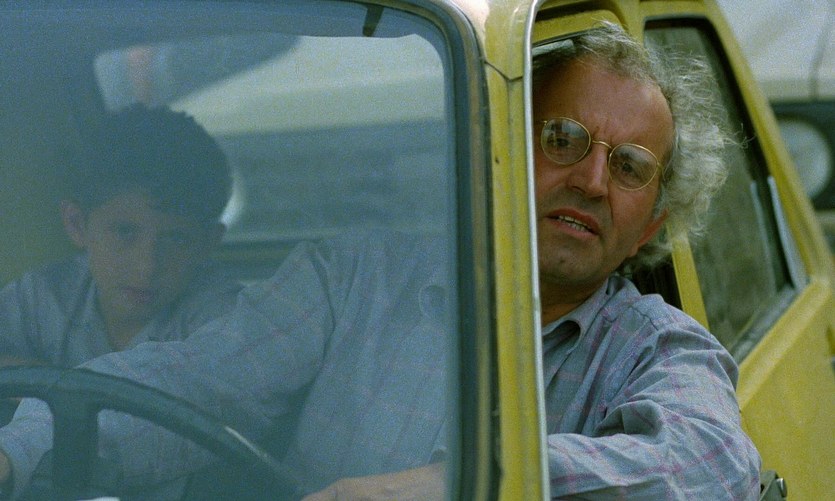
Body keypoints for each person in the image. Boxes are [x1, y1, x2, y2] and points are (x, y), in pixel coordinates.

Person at [0, 22, 761, 500]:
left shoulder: (657, 347)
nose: (592, 180)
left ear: (651, 223)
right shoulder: (352, 277)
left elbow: (714, 461)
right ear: (495, 147)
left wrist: (464, 480)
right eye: (562, 139)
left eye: (629, 166)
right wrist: (16, 451)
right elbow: (199, 378)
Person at [0, 103, 239, 367]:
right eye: (124, 232)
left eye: (176, 239)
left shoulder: (223, 321)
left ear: (208, 243)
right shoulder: (41, 299)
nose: (147, 267)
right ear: (77, 224)